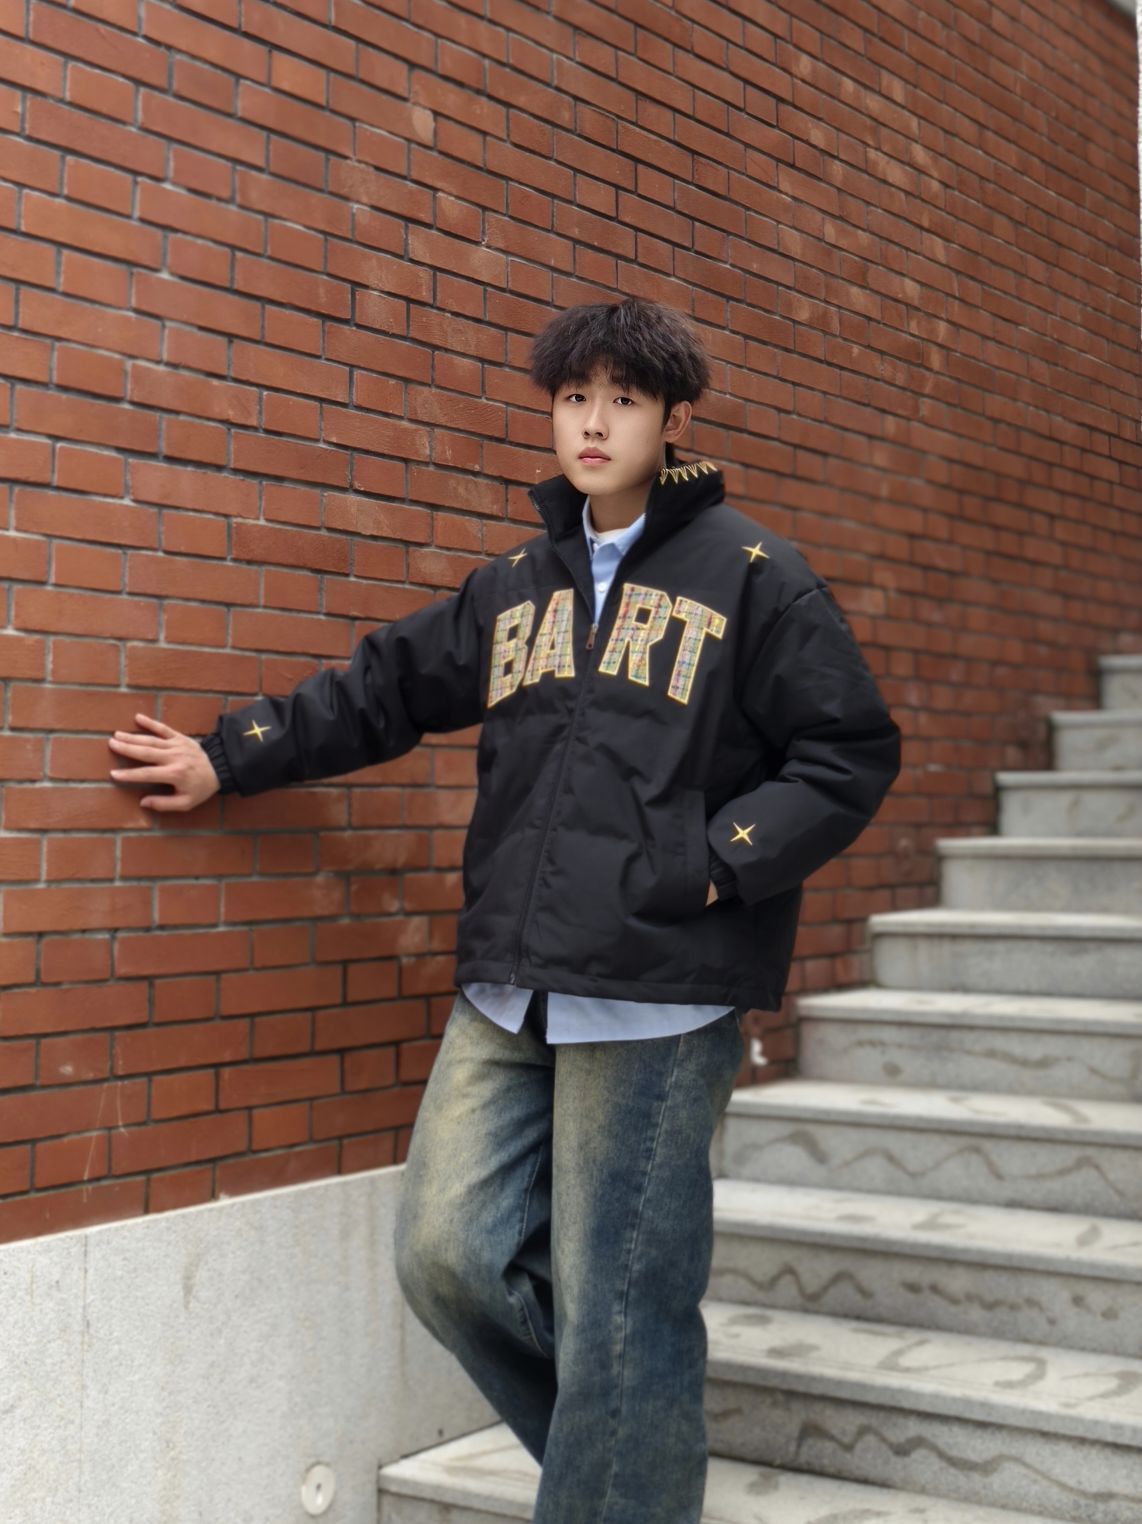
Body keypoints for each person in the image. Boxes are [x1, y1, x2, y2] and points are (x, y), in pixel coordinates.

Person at [108, 296, 901, 1522]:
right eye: (574, 398)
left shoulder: (753, 577)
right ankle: (629, 1464)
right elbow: (383, 689)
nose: (593, 423)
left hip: (656, 993)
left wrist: (712, 861)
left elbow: (846, 752)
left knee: (621, 1311)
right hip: (512, 981)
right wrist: (230, 756)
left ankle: (621, 1470)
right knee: (445, 1257)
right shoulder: (518, 584)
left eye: (622, 401)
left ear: (673, 420)